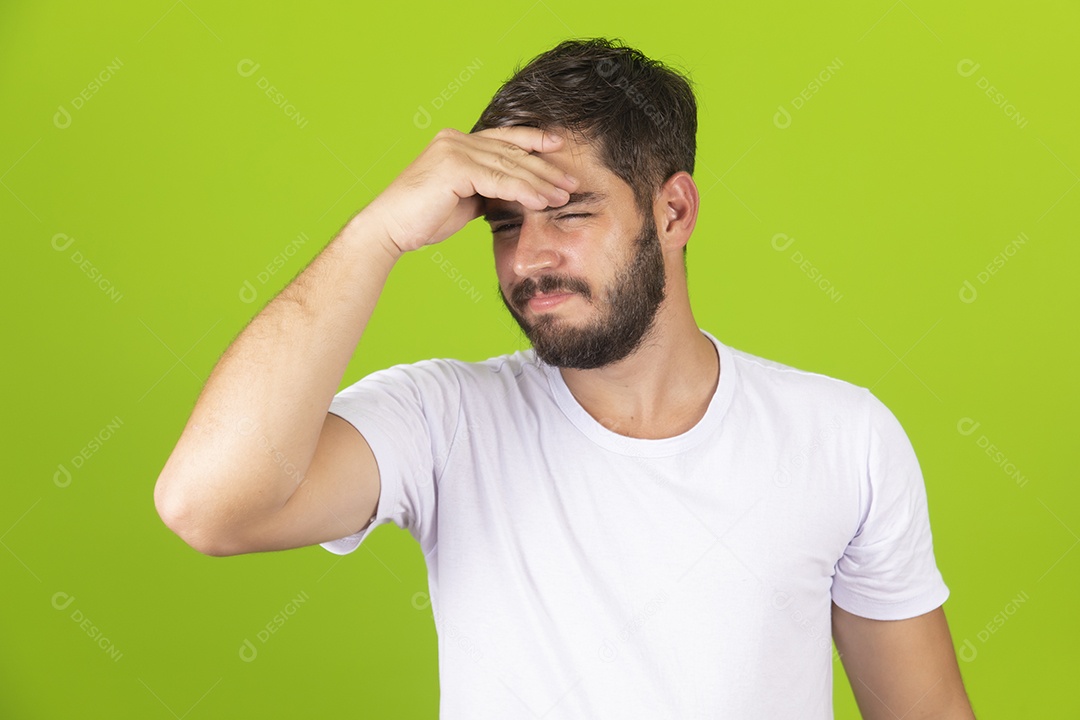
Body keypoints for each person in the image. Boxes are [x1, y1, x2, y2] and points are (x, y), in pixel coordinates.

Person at [154, 37, 976, 719]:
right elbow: (207, 507)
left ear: (674, 211)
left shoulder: (843, 437)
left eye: (572, 211)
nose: (530, 258)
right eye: (504, 223)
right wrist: (377, 235)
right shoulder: (444, 421)